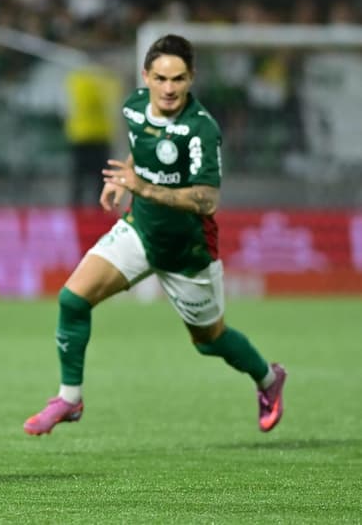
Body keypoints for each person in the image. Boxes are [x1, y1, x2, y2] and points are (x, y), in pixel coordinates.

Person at [23, 34, 286, 436]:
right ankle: (70, 399)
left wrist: (141, 186)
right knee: (72, 299)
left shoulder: (201, 129)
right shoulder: (132, 107)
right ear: (145, 76)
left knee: (209, 340)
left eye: (178, 79)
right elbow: (143, 148)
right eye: (160, 78)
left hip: (188, 251)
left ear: (191, 78)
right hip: (140, 231)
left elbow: (207, 199)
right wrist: (123, 180)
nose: (168, 88)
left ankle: (268, 379)